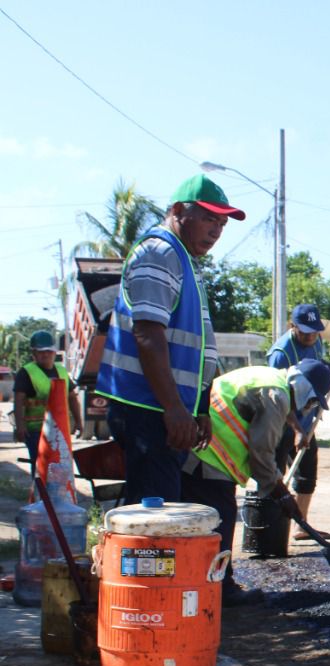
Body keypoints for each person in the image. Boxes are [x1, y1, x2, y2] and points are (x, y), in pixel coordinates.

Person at [96, 174, 244, 505]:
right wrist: (174, 408)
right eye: (208, 219)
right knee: (155, 521)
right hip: (147, 409)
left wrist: (200, 408)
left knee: (165, 514)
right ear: (178, 211)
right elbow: (148, 334)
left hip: (164, 410)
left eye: (222, 223)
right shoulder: (159, 253)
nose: (216, 231)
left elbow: (199, 348)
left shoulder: (184, 260)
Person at [183, 359, 330, 606]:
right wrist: (281, 493)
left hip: (198, 447)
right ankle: (220, 588)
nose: (310, 407)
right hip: (208, 454)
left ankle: (200, 584)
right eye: (313, 400)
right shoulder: (279, 396)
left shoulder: (270, 378)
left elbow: (274, 412)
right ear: (305, 389)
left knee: (202, 525)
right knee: (219, 521)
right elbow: (261, 453)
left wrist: (295, 428)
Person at [266, 304, 330, 539]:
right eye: (305, 332)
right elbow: (277, 396)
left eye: (315, 332)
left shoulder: (315, 341)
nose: (311, 337)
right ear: (292, 327)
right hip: (280, 421)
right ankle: (272, 526)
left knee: (307, 472)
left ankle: (300, 526)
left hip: (305, 421)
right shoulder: (280, 354)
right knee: (275, 473)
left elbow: (318, 366)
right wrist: (295, 430)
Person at [14, 330, 83, 473]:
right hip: (36, 430)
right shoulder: (27, 372)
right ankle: (40, 495)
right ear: (34, 353)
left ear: (54, 352)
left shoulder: (61, 370)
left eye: (48, 351)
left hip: (60, 429)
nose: (45, 355)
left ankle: (55, 496)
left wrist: (78, 421)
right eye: (41, 352)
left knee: (59, 466)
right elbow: (19, 400)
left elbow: (72, 397)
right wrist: (20, 426)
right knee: (41, 468)